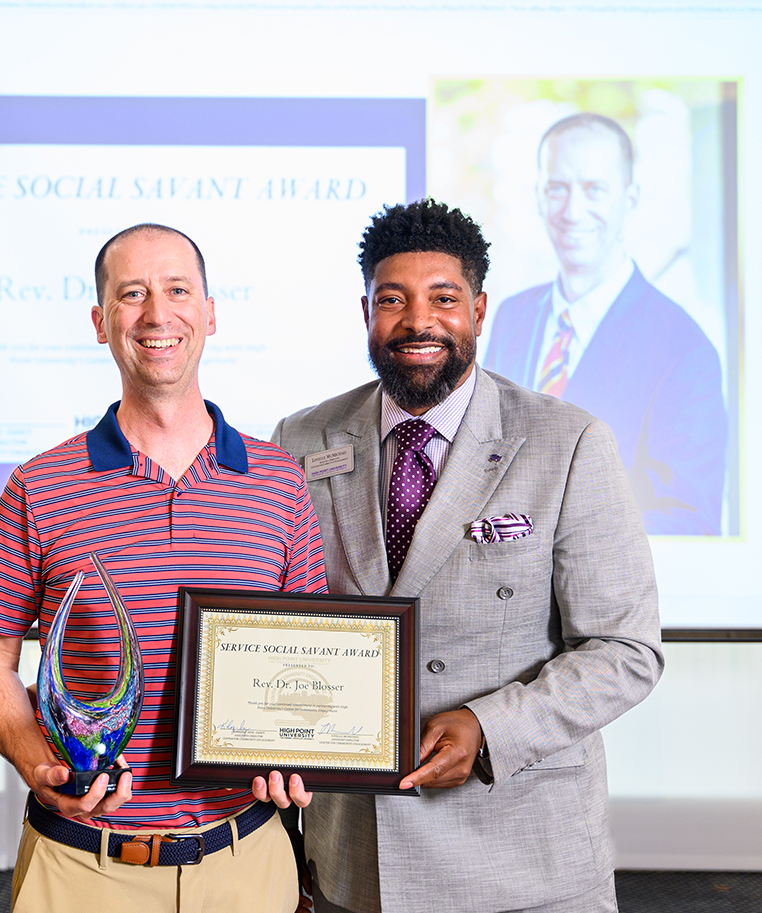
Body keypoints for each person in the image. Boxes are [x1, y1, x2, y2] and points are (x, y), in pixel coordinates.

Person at [272, 199, 664, 913]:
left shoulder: (566, 441)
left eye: (443, 298)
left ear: (479, 311)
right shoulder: (300, 439)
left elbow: (625, 649)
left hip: (524, 857)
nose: (418, 321)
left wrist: (490, 726)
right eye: (393, 300)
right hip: (355, 859)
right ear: (366, 312)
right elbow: (279, 627)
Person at [0, 223, 327, 912]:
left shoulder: (280, 483)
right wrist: (35, 761)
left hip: (246, 861)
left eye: (177, 290)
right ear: (101, 322)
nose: (157, 314)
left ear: (211, 313)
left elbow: (312, 654)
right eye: (132, 294)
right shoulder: (38, 486)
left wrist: (303, 749)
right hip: (79, 867)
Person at [484, 112, 727, 536]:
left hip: (602, 592)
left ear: (630, 197)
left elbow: (687, 516)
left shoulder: (685, 349)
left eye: (594, 188)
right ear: (540, 195)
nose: (572, 210)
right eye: (557, 188)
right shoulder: (513, 316)